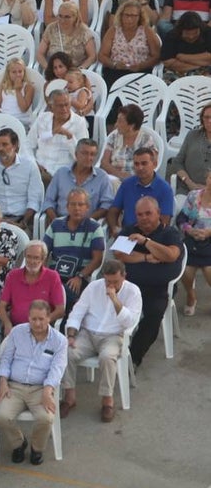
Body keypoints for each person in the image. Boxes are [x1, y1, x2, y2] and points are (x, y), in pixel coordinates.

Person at [60, 259, 141, 423]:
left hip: (113, 335)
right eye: (107, 281)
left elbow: (130, 322)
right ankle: (69, 397)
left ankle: (107, 400)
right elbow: (77, 312)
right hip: (88, 333)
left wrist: (115, 299)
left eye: (115, 281)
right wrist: (70, 335)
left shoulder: (133, 292)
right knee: (66, 352)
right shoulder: (93, 287)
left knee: (107, 357)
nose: (110, 285)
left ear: (124, 276)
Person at [0, 301, 66, 466]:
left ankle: (36, 448)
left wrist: (48, 391)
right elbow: (6, 359)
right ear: (28, 318)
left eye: (41, 319)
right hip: (15, 386)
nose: (38, 323)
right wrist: (3, 381)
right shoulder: (17, 332)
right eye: (34, 319)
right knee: (0, 416)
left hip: (41, 388)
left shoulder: (59, 341)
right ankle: (18, 443)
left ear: (49, 318)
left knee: (46, 418)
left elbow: (57, 369)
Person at [112, 196, 183, 366]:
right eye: (139, 214)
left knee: (153, 316)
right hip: (129, 286)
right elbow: (119, 255)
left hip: (158, 288)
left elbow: (171, 255)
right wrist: (146, 257)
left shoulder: (169, 233)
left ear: (158, 213)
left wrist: (146, 242)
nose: (143, 218)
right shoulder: (130, 230)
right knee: (109, 308)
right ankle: (109, 349)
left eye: (148, 213)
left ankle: (132, 359)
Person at [28, 90, 91, 181]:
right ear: (51, 107)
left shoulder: (79, 122)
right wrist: (33, 163)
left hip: (62, 171)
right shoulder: (42, 118)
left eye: (67, 104)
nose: (65, 109)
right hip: (38, 167)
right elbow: (28, 144)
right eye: (60, 106)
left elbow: (83, 156)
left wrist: (69, 137)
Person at [109, 147, 174, 231]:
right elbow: (113, 210)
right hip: (127, 235)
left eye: (144, 163)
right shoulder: (127, 184)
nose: (140, 167)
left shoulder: (165, 189)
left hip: (152, 238)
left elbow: (165, 221)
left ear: (154, 164)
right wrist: (114, 228)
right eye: (136, 164)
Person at [99, 0, 162, 85]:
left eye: (134, 16)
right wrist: (114, 64)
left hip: (141, 72)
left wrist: (141, 66)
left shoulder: (147, 31)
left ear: (140, 17)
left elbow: (156, 56)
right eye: (127, 15)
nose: (129, 18)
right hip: (116, 71)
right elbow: (102, 55)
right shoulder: (113, 31)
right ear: (121, 15)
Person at [171, 102, 211, 196]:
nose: (209, 120)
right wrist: (189, 183)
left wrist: (207, 189)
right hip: (187, 189)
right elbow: (177, 162)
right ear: (202, 119)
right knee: (181, 207)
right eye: (206, 117)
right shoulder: (192, 135)